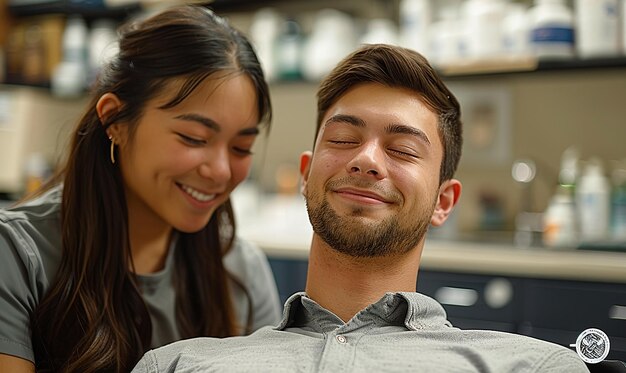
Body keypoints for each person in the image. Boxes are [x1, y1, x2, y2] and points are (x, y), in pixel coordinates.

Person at [131, 44, 589, 372]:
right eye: (344, 140)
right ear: (307, 174)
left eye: (403, 150)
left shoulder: (534, 365)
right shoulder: (176, 363)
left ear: (442, 202)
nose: (366, 160)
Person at [0, 5, 282, 372]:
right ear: (115, 119)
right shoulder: (18, 256)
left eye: (241, 148)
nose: (220, 171)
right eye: (194, 138)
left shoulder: (242, 273)